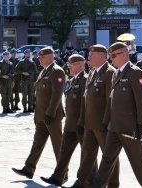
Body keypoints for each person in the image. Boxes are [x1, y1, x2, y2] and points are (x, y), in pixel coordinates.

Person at [89, 42, 142, 188]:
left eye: (113, 55)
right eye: (110, 55)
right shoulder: (116, 73)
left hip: (129, 127)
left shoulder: (134, 72)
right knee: (107, 160)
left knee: (138, 163)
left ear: (124, 55)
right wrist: (105, 122)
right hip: (114, 126)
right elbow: (111, 100)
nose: (111, 59)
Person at [68, 44, 119, 188]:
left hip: (103, 124)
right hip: (89, 123)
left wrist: (106, 121)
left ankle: (113, 185)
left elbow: (111, 100)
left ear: (102, 56)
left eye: (92, 55)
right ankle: (81, 182)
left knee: (109, 157)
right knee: (87, 155)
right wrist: (81, 121)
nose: (88, 57)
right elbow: (86, 99)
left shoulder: (110, 73)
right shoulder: (92, 72)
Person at [12, 47, 65, 180]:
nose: (39, 59)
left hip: (52, 116)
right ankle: (29, 168)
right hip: (42, 115)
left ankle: (63, 171)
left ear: (51, 57)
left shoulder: (56, 71)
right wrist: (38, 116)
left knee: (58, 145)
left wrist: (50, 113)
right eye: (39, 57)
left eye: (42, 57)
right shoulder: (44, 71)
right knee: (37, 143)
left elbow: (57, 94)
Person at [40, 54, 93, 186]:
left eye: (71, 64)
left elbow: (85, 104)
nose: (68, 66)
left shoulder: (85, 80)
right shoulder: (72, 80)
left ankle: (91, 180)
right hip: (70, 124)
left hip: (81, 124)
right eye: (68, 64)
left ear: (80, 65)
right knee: (64, 152)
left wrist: (82, 122)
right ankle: (58, 177)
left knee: (87, 154)